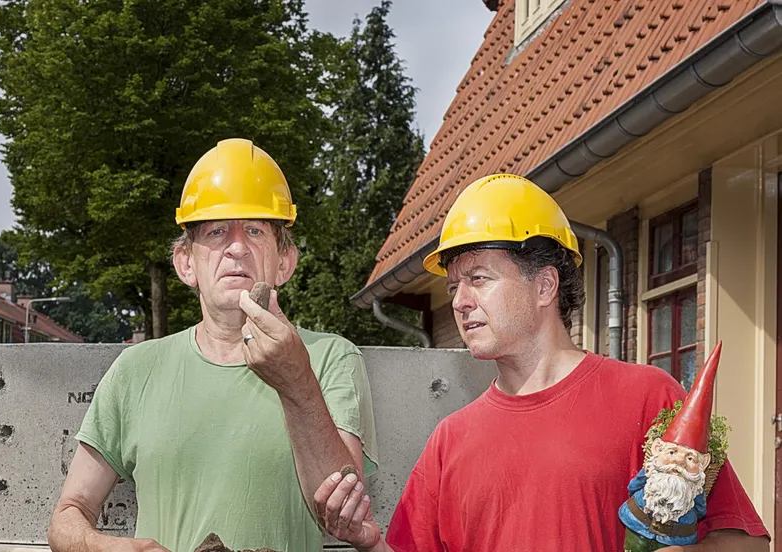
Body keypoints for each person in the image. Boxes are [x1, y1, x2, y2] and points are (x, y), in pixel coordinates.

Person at [313, 174, 769, 551]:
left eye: (479, 279)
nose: (461, 302)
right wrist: (371, 544)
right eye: (454, 288)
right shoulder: (448, 442)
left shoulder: (648, 397)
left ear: (545, 286)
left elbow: (745, 543)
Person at [47, 138, 379, 552]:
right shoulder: (136, 370)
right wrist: (108, 548)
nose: (237, 247)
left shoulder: (330, 359)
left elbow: (340, 513)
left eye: (255, 230)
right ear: (186, 263)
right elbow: (68, 515)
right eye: (217, 231)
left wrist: (296, 380)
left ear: (284, 262)